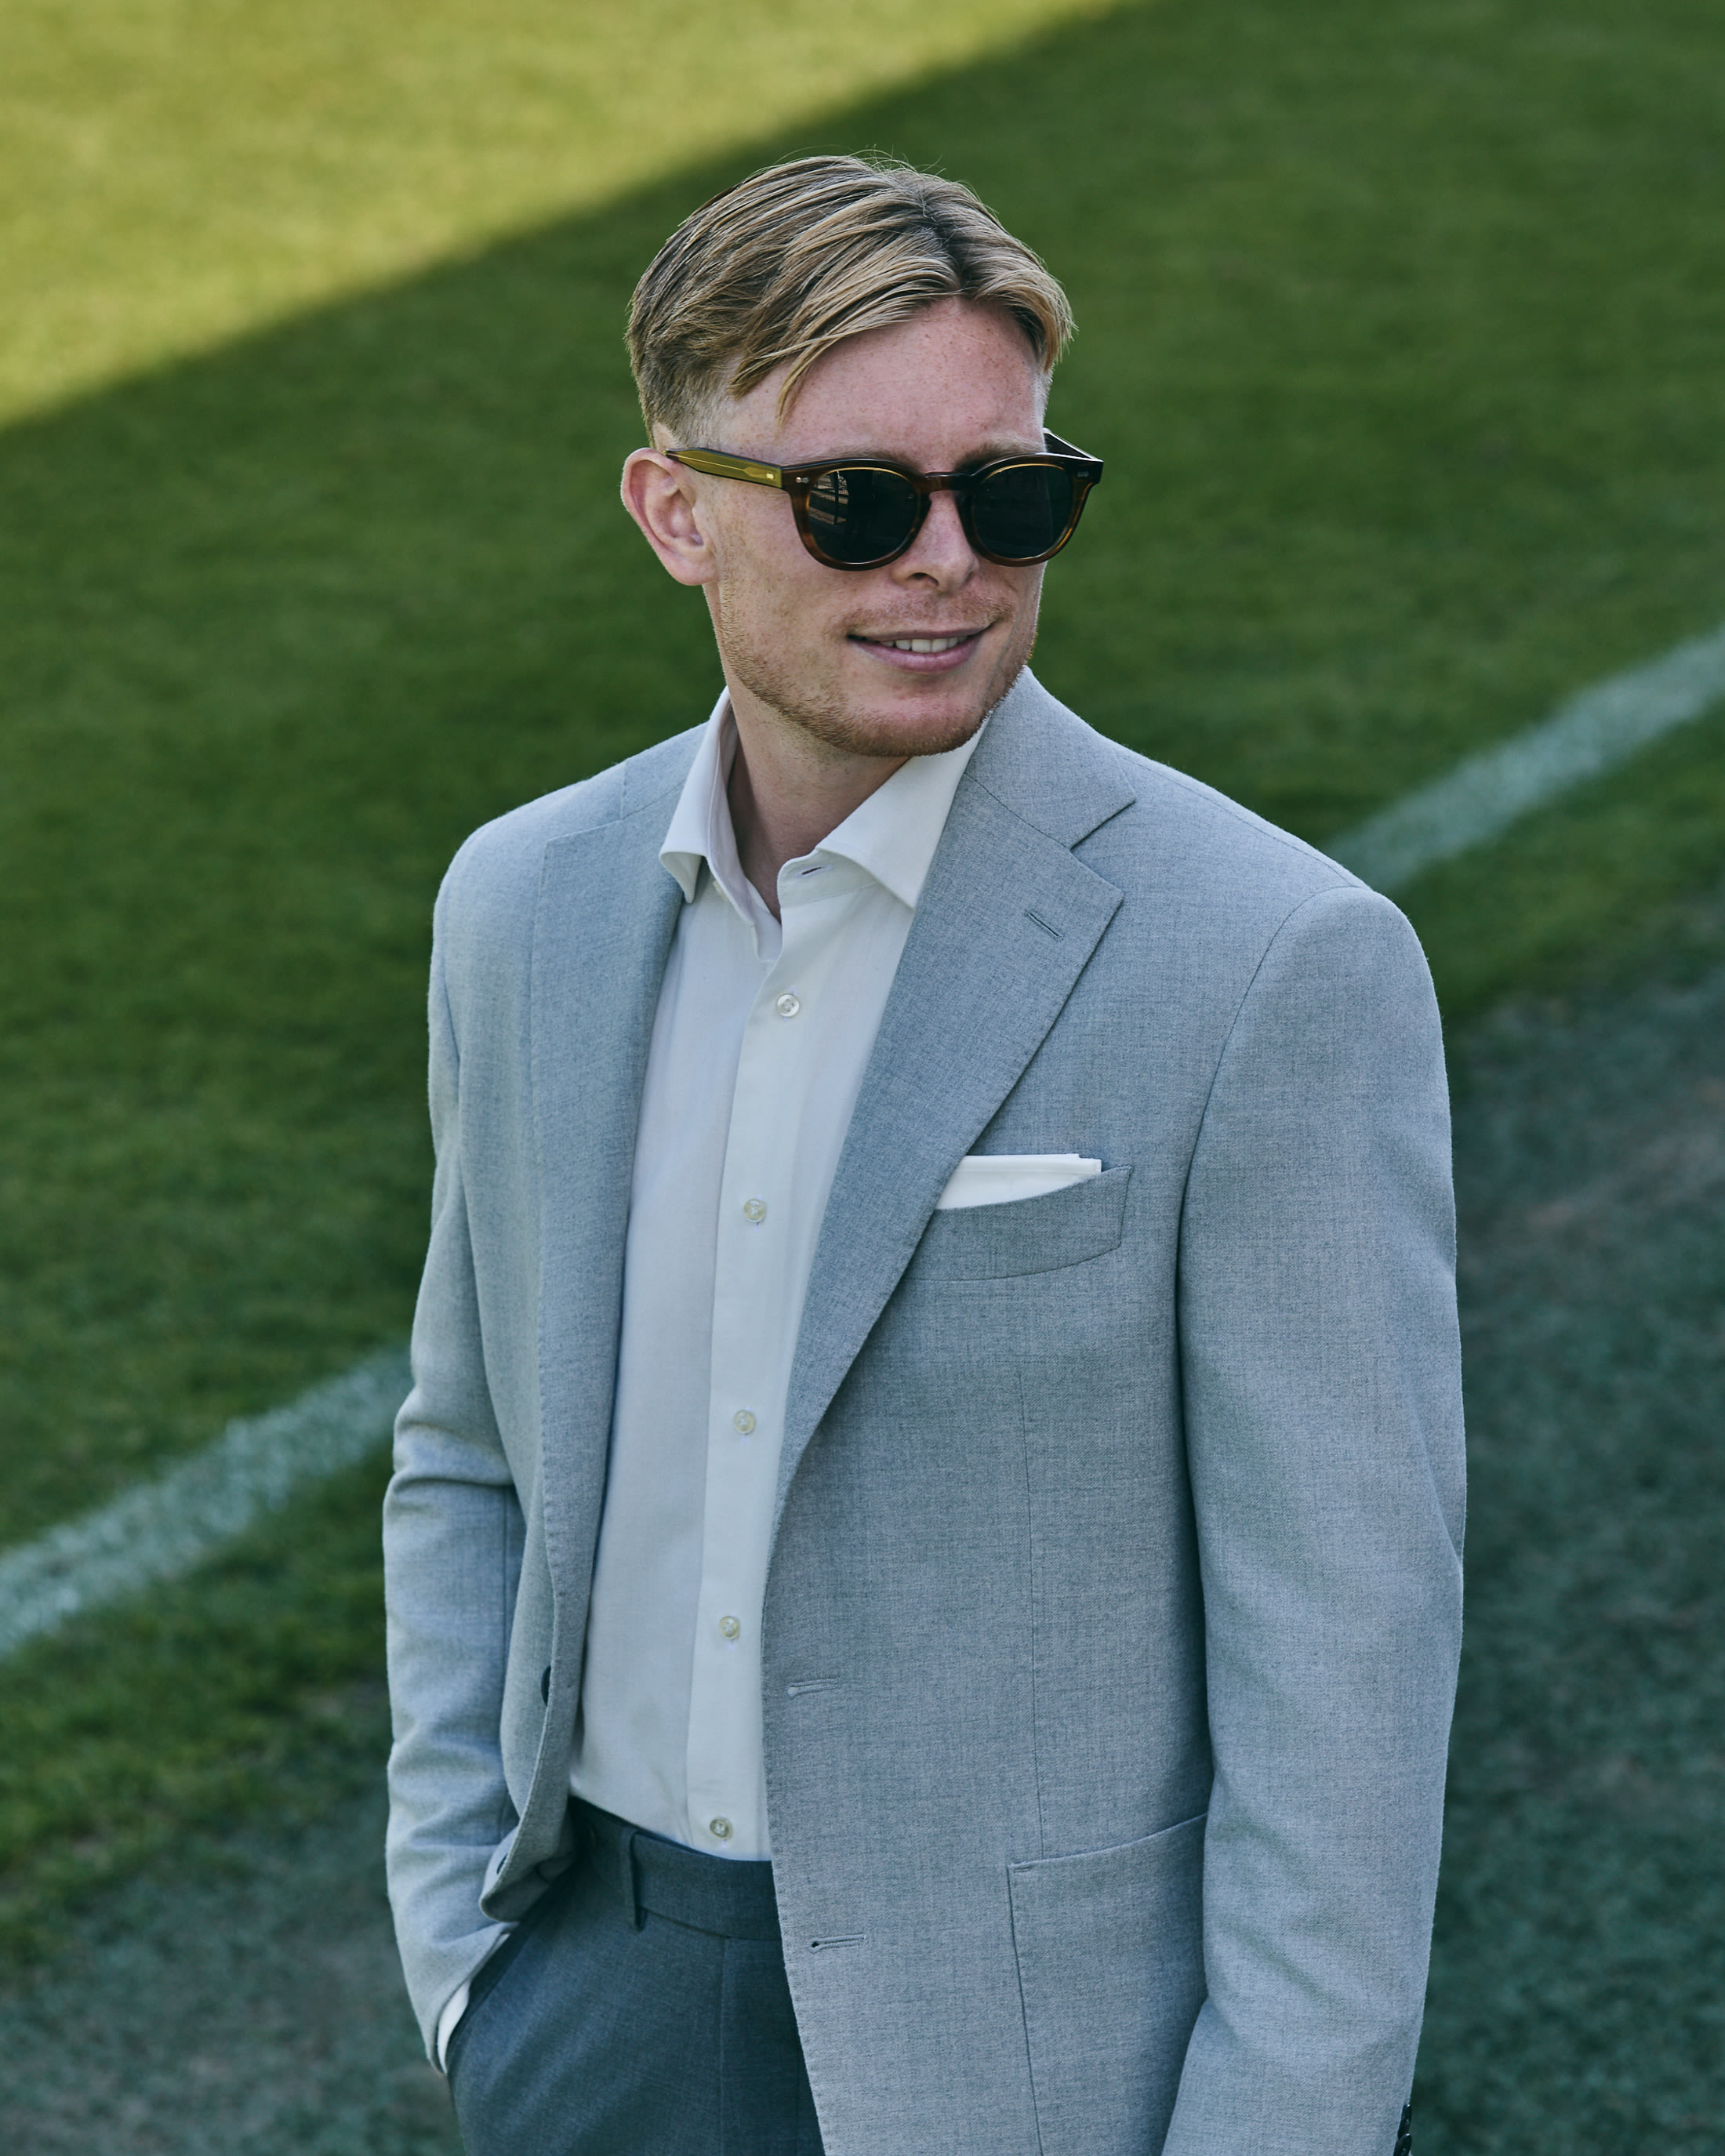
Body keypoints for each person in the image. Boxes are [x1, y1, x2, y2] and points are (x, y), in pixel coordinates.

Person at [383, 154, 1463, 2156]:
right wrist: (468, 1961)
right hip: (593, 2015)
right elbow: (467, 1456)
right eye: (858, 503)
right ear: (674, 512)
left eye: (1012, 495)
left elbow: (1347, 1649)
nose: (948, 564)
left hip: (1040, 2079)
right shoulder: (519, 906)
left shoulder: (1269, 961)